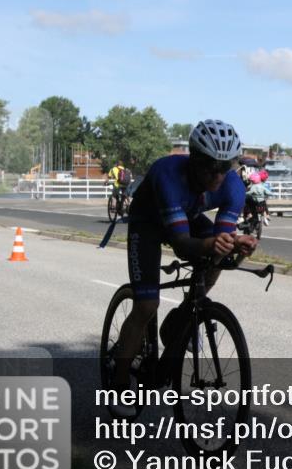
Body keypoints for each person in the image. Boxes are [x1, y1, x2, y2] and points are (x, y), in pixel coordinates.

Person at [109, 120, 257, 416]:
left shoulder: (233, 187)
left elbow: (220, 242)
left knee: (219, 249)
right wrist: (212, 245)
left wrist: (237, 246)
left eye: (224, 166)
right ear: (194, 158)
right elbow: (181, 244)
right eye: (209, 166)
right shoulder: (168, 174)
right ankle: (119, 380)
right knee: (146, 304)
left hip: (185, 216)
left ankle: (183, 317)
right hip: (148, 223)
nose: (216, 174)